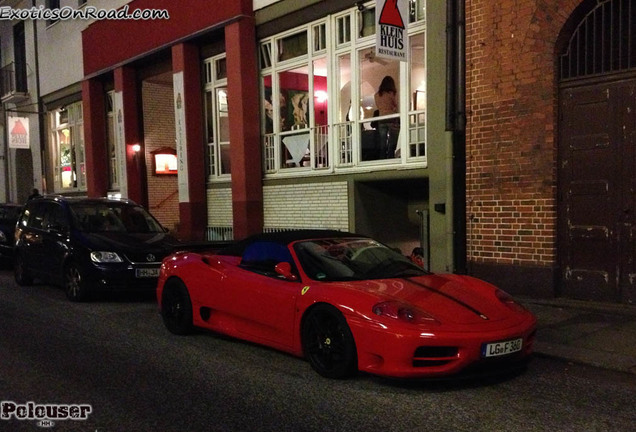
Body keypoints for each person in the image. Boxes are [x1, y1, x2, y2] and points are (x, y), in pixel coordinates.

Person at [374, 76, 400, 159]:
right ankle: (390, 157)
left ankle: (382, 158)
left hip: (381, 119)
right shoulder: (391, 94)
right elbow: (395, 105)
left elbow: (378, 106)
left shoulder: (377, 95)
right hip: (391, 118)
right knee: (392, 141)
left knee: (382, 142)